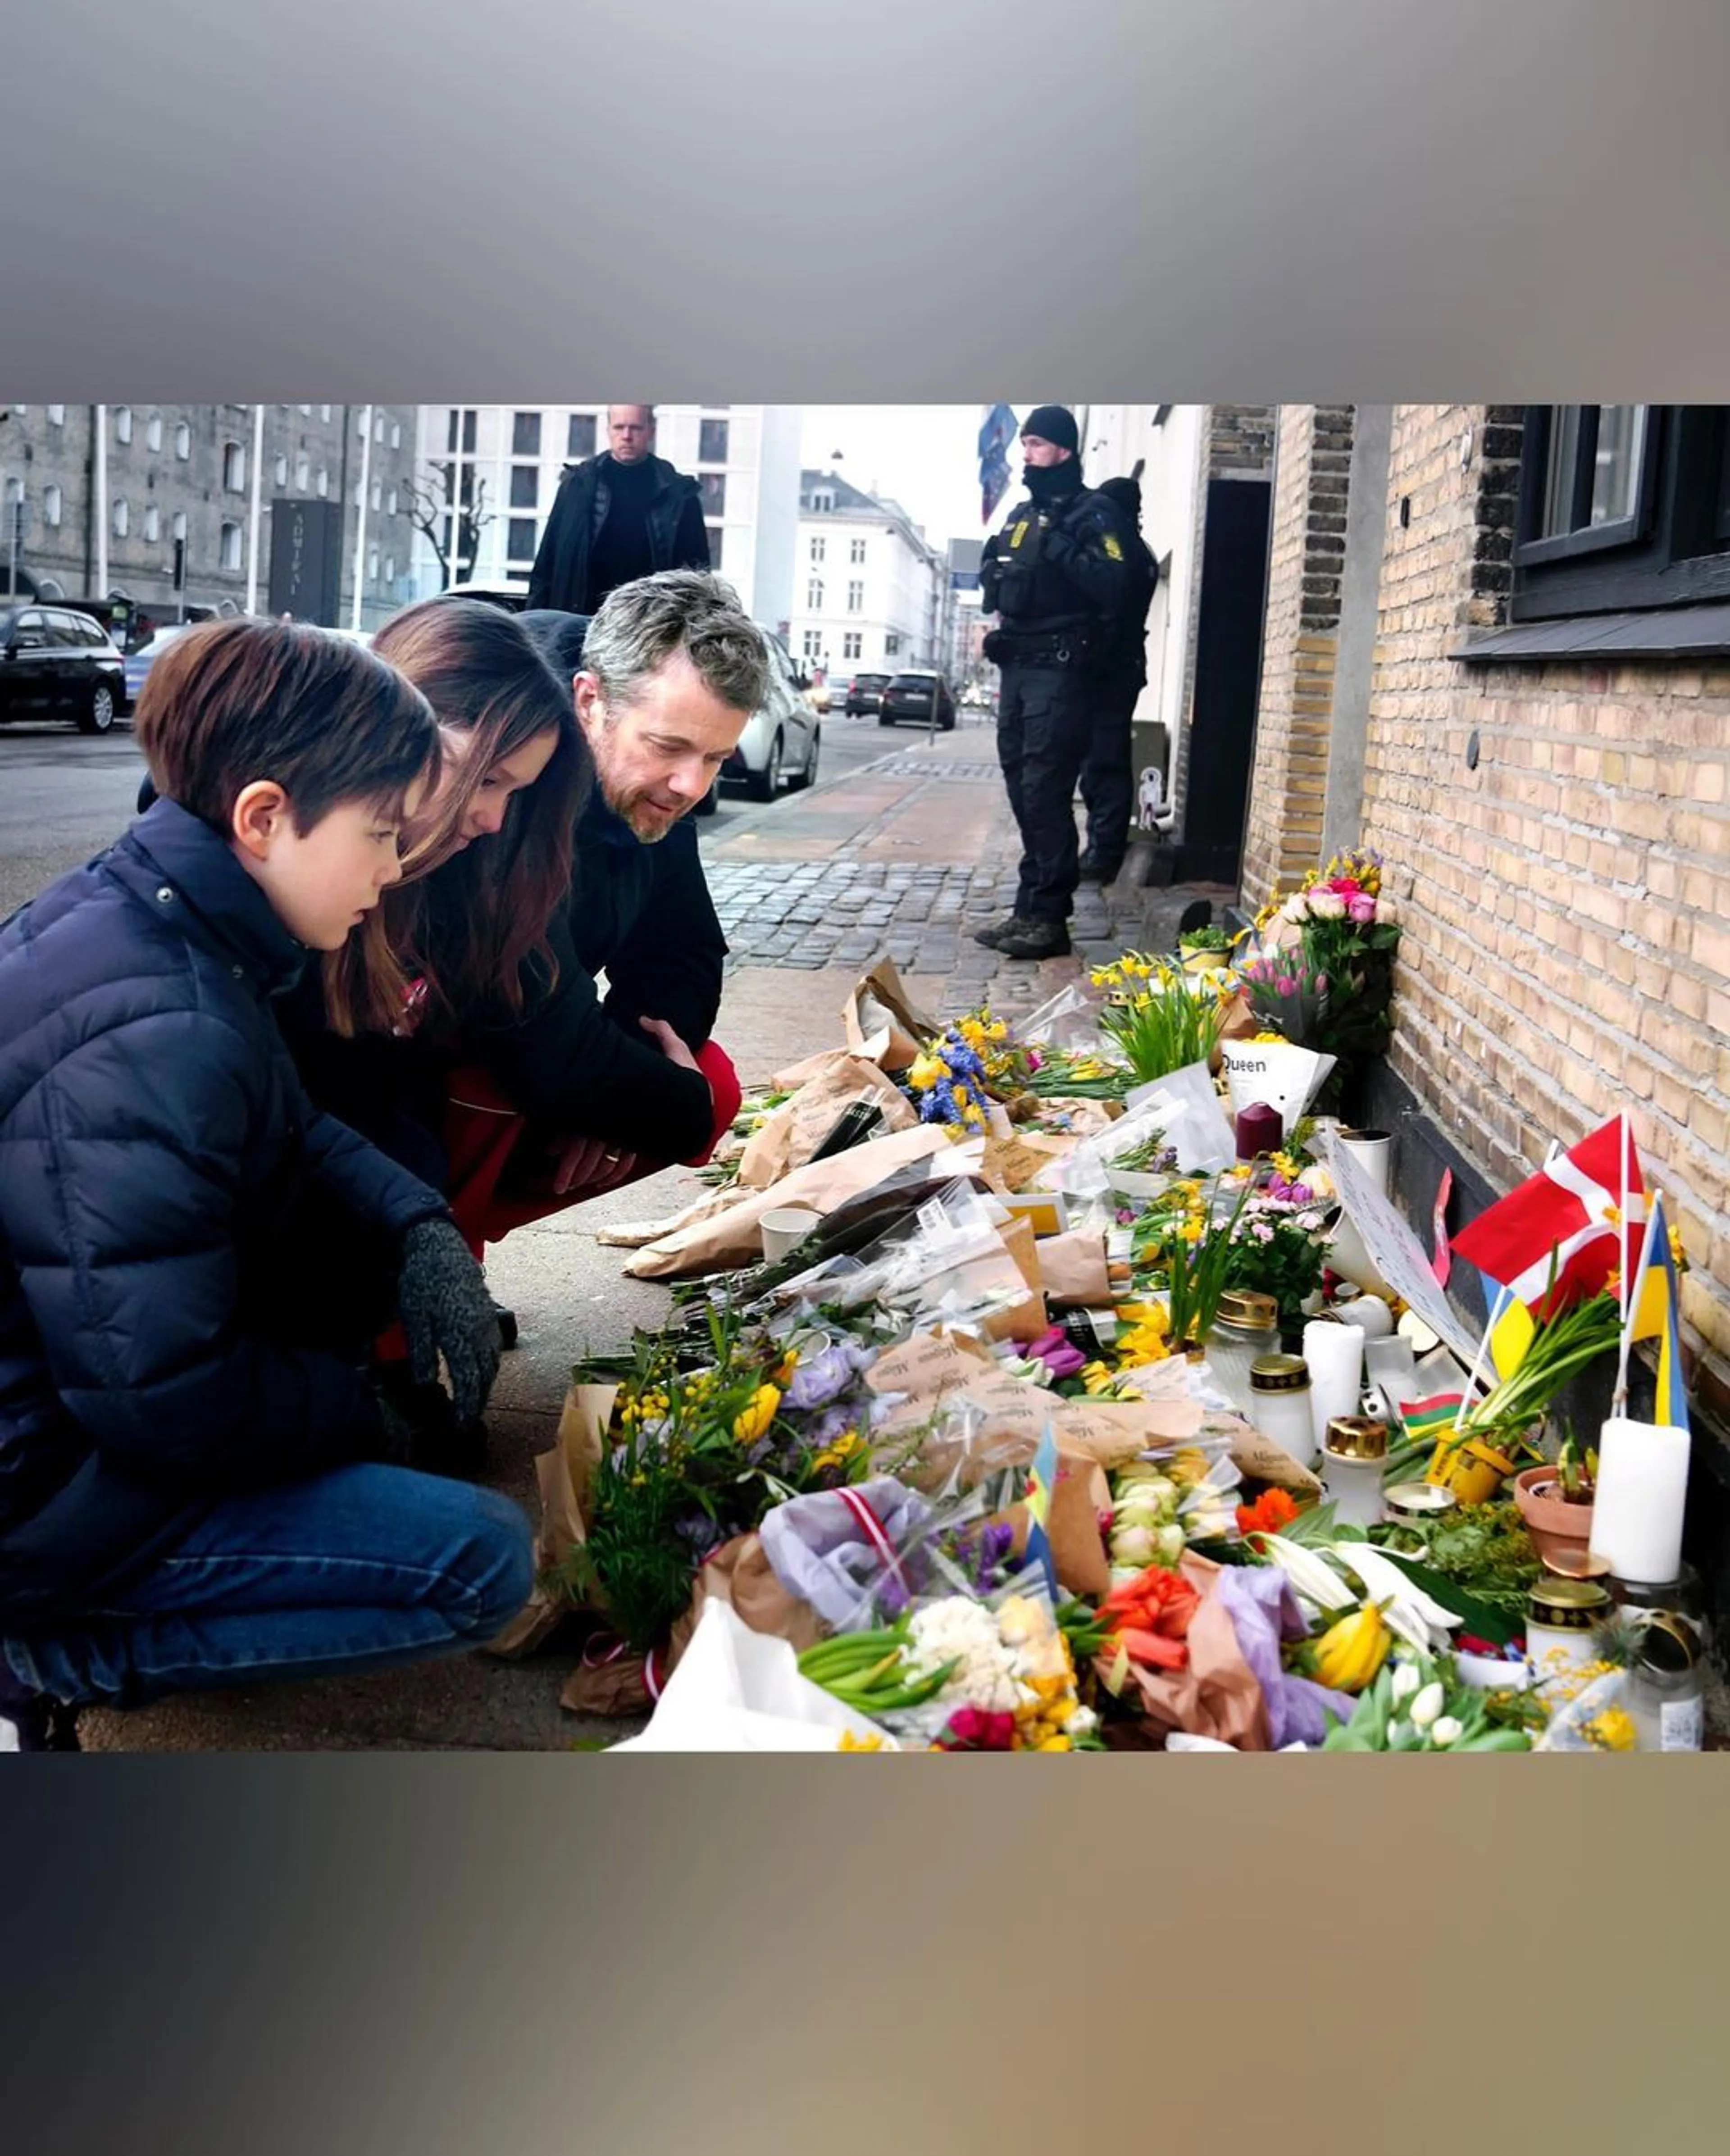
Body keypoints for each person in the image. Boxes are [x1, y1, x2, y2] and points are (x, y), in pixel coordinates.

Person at [0, 620, 531, 1752]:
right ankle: (49, 1654)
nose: (395, 870)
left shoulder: (147, 916)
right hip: (33, 1487)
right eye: (381, 833)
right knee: (479, 1559)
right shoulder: (167, 1020)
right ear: (263, 815)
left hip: (48, 1418)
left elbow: (286, 1122)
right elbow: (160, 1396)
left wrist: (417, 1224)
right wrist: (354, 1411)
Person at [974, 405, 1135, 960]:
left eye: (1037, 444)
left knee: (1045, 788)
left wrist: (1058, 546)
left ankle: (1049, 915)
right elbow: (1000, 583)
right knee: (1022, 786)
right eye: (1025, 445)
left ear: (1063, 449)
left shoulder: (1095, 513)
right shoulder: (1022, 514)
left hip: (1062, 673)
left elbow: (1115, 582)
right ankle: (1029, 905)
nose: (1027, 455)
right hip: (1019, 668)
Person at [526, 405, 710, 615]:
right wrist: (534, 623)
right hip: (579, 618)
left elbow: (698, 579)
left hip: (647, 624)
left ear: (652, 431)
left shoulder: (680, 495)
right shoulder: (578, 486)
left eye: (636, 428)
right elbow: (546, 562)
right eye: (619, 427)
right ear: (608, 431)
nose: (627, 436)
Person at [1077, 473, 1160, 884]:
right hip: (1117, 667)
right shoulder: (1135, 550)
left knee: (1103, 760)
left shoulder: (1125, 553)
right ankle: (1100, 843)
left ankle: (1104, 850)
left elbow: (1111, 609)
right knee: (1097, 760)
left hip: (1112, 668)